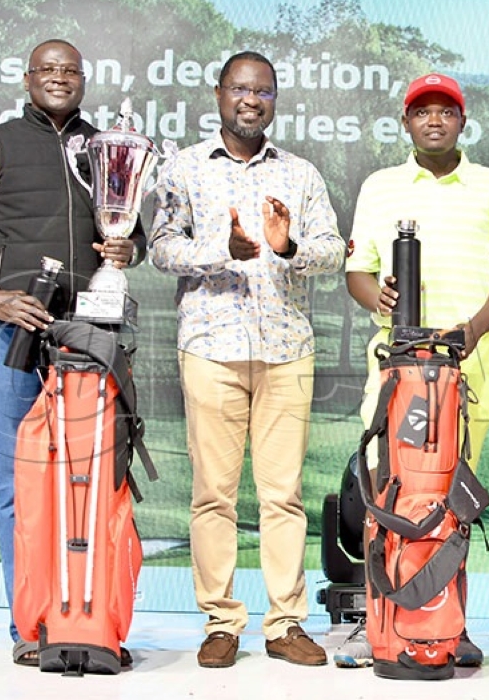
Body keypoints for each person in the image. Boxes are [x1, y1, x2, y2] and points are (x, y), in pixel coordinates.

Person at [0, 39, 142, 667]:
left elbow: (127, 234)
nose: (58, 79)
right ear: (27, 78)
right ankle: (31, 623)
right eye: (47, 70)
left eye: (69, 71)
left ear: (84, 80)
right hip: (11, 336)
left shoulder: (107, 149)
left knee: (91, 481)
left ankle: (87, 617)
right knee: (16, 482)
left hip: (90, 339)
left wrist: (127, 252)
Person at [149, 51, 345, 669]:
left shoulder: (301, 174)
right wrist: (221, 249)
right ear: (218, 95)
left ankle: (285, 623)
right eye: (239, 88)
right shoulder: (184, 169)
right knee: (214, 495)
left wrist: (287, 248)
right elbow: (160, 247)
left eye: (262, 91)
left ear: (275, 100)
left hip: (287, 349)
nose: (250, 99)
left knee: (283, 495)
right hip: (211, 347)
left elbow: (334, 250)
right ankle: (221, 622)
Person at [334, 72, 489, 669]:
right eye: (424, 112)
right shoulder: (381, 185)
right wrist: (379, 301)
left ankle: (449, 620)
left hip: (469, 364)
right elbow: (358, 273)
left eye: (447, 111)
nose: (435, 120)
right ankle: (385, 621)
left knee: (453, 497)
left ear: (462, 122)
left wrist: (474, 329)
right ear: (407, 122)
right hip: (395, 366)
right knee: (388, 489)